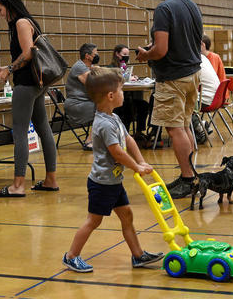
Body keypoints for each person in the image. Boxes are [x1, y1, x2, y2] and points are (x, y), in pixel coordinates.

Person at [62, 67, 163, 273]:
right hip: (102, 184)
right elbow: (117, 153)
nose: (123, 94)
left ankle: (138, 255)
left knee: (127, 215)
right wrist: (135, 166)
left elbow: (128, 140)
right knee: (94, 221)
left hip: (114, 182)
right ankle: (71, 256)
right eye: (121, 90)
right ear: (110, 96)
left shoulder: (114, 119)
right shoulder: (104, 124)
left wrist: (141, 162)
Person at [135, 0, 202, 199]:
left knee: (175, 130)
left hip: (173, 77)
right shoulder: (192, 6)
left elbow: (161, 50)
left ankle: (187, 178)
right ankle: (191, 174)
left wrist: (146, 54)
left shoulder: (164, 9)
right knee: (184, 126)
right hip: (193, 74)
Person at [0, 0, 58, 196]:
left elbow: (28, 53)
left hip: (27, 84)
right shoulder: (29, 21)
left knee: (19, 131)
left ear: (9, 6)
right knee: (43, 128)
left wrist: (8, 70)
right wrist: (7, 67)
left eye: (0, 10)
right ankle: (50, 179)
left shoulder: (21, 22)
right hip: (37, 83)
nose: (0, 14)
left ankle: (18, 185)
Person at [110, 44, 149, 140]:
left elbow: (127, 77)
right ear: (117, 54)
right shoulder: (111, 68)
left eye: (128, 54)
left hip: (128, 96)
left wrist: (133, 77)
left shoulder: (124, 66)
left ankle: (139, 132)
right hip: (117, 99)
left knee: (144, 105)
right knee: (127, 107)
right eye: (124, 54)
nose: (126, 56)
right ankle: (124, 134)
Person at [64, 43, 98, 150]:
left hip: (84, 102)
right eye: (95, 53)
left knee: (105, 106)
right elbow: (92, 84)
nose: (97, 55)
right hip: (76, 105)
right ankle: (89, 141)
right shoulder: (79, 67)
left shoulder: (87, 67)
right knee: (103, 108)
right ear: (87, 56)